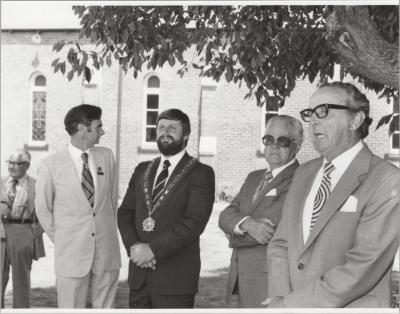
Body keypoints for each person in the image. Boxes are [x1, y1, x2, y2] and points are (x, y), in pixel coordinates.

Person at [266, 81, 400, 308]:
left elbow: (364, 264)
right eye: (311, 113)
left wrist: (293, 305)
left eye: (324, 111)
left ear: (355, 120)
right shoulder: (304, 173)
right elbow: (281, 243)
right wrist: (281, 297)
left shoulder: (386, 179)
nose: (313, 121)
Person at [118, 108, 215, 308]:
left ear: (186, 134)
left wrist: (152, 250)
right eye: (161, 127)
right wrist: (135, 249)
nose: (165, 132)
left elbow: (194, 223)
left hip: (175, 280)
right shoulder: (142, 169)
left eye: (172, 127)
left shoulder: (201, 173)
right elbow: (125, 212)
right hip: (139, 277)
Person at [35, 104, 121, 308]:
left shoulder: (107, 157)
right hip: (71, 255)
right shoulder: (50, 165)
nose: (103, 131)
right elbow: (43, 210)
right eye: (98, 126)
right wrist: (64, 238)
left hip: (106, 251)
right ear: (83, 128)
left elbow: (111, 201)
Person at [218, 115, 303, 307]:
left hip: (272, 281)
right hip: (244, 275)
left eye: (282, 141)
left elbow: (272, 231)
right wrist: (248, 224)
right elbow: (224, 216)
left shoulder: (300, 179)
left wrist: (235, 232)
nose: (274, 146)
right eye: (269, 139)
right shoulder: (254, 177)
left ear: (296, 145)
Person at [1, 149, 45, 308]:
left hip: (23, 233)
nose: (11, 167)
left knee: (21, 280)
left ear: (27, 165)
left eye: (16, 164)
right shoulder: (1, 182)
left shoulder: (36, 185)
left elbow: (47, 212)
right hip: (1, 234)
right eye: (9, 163)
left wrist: (34, 233)